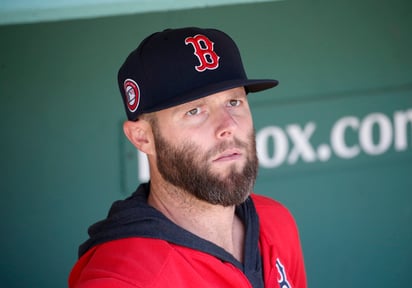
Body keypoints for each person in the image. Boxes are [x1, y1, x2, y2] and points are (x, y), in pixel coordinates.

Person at [69, 27, 307, 288]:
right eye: (194, 111)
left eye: (234, 102)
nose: (227, 126)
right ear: (142, 137)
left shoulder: (276, 221)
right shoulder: (123, 278)